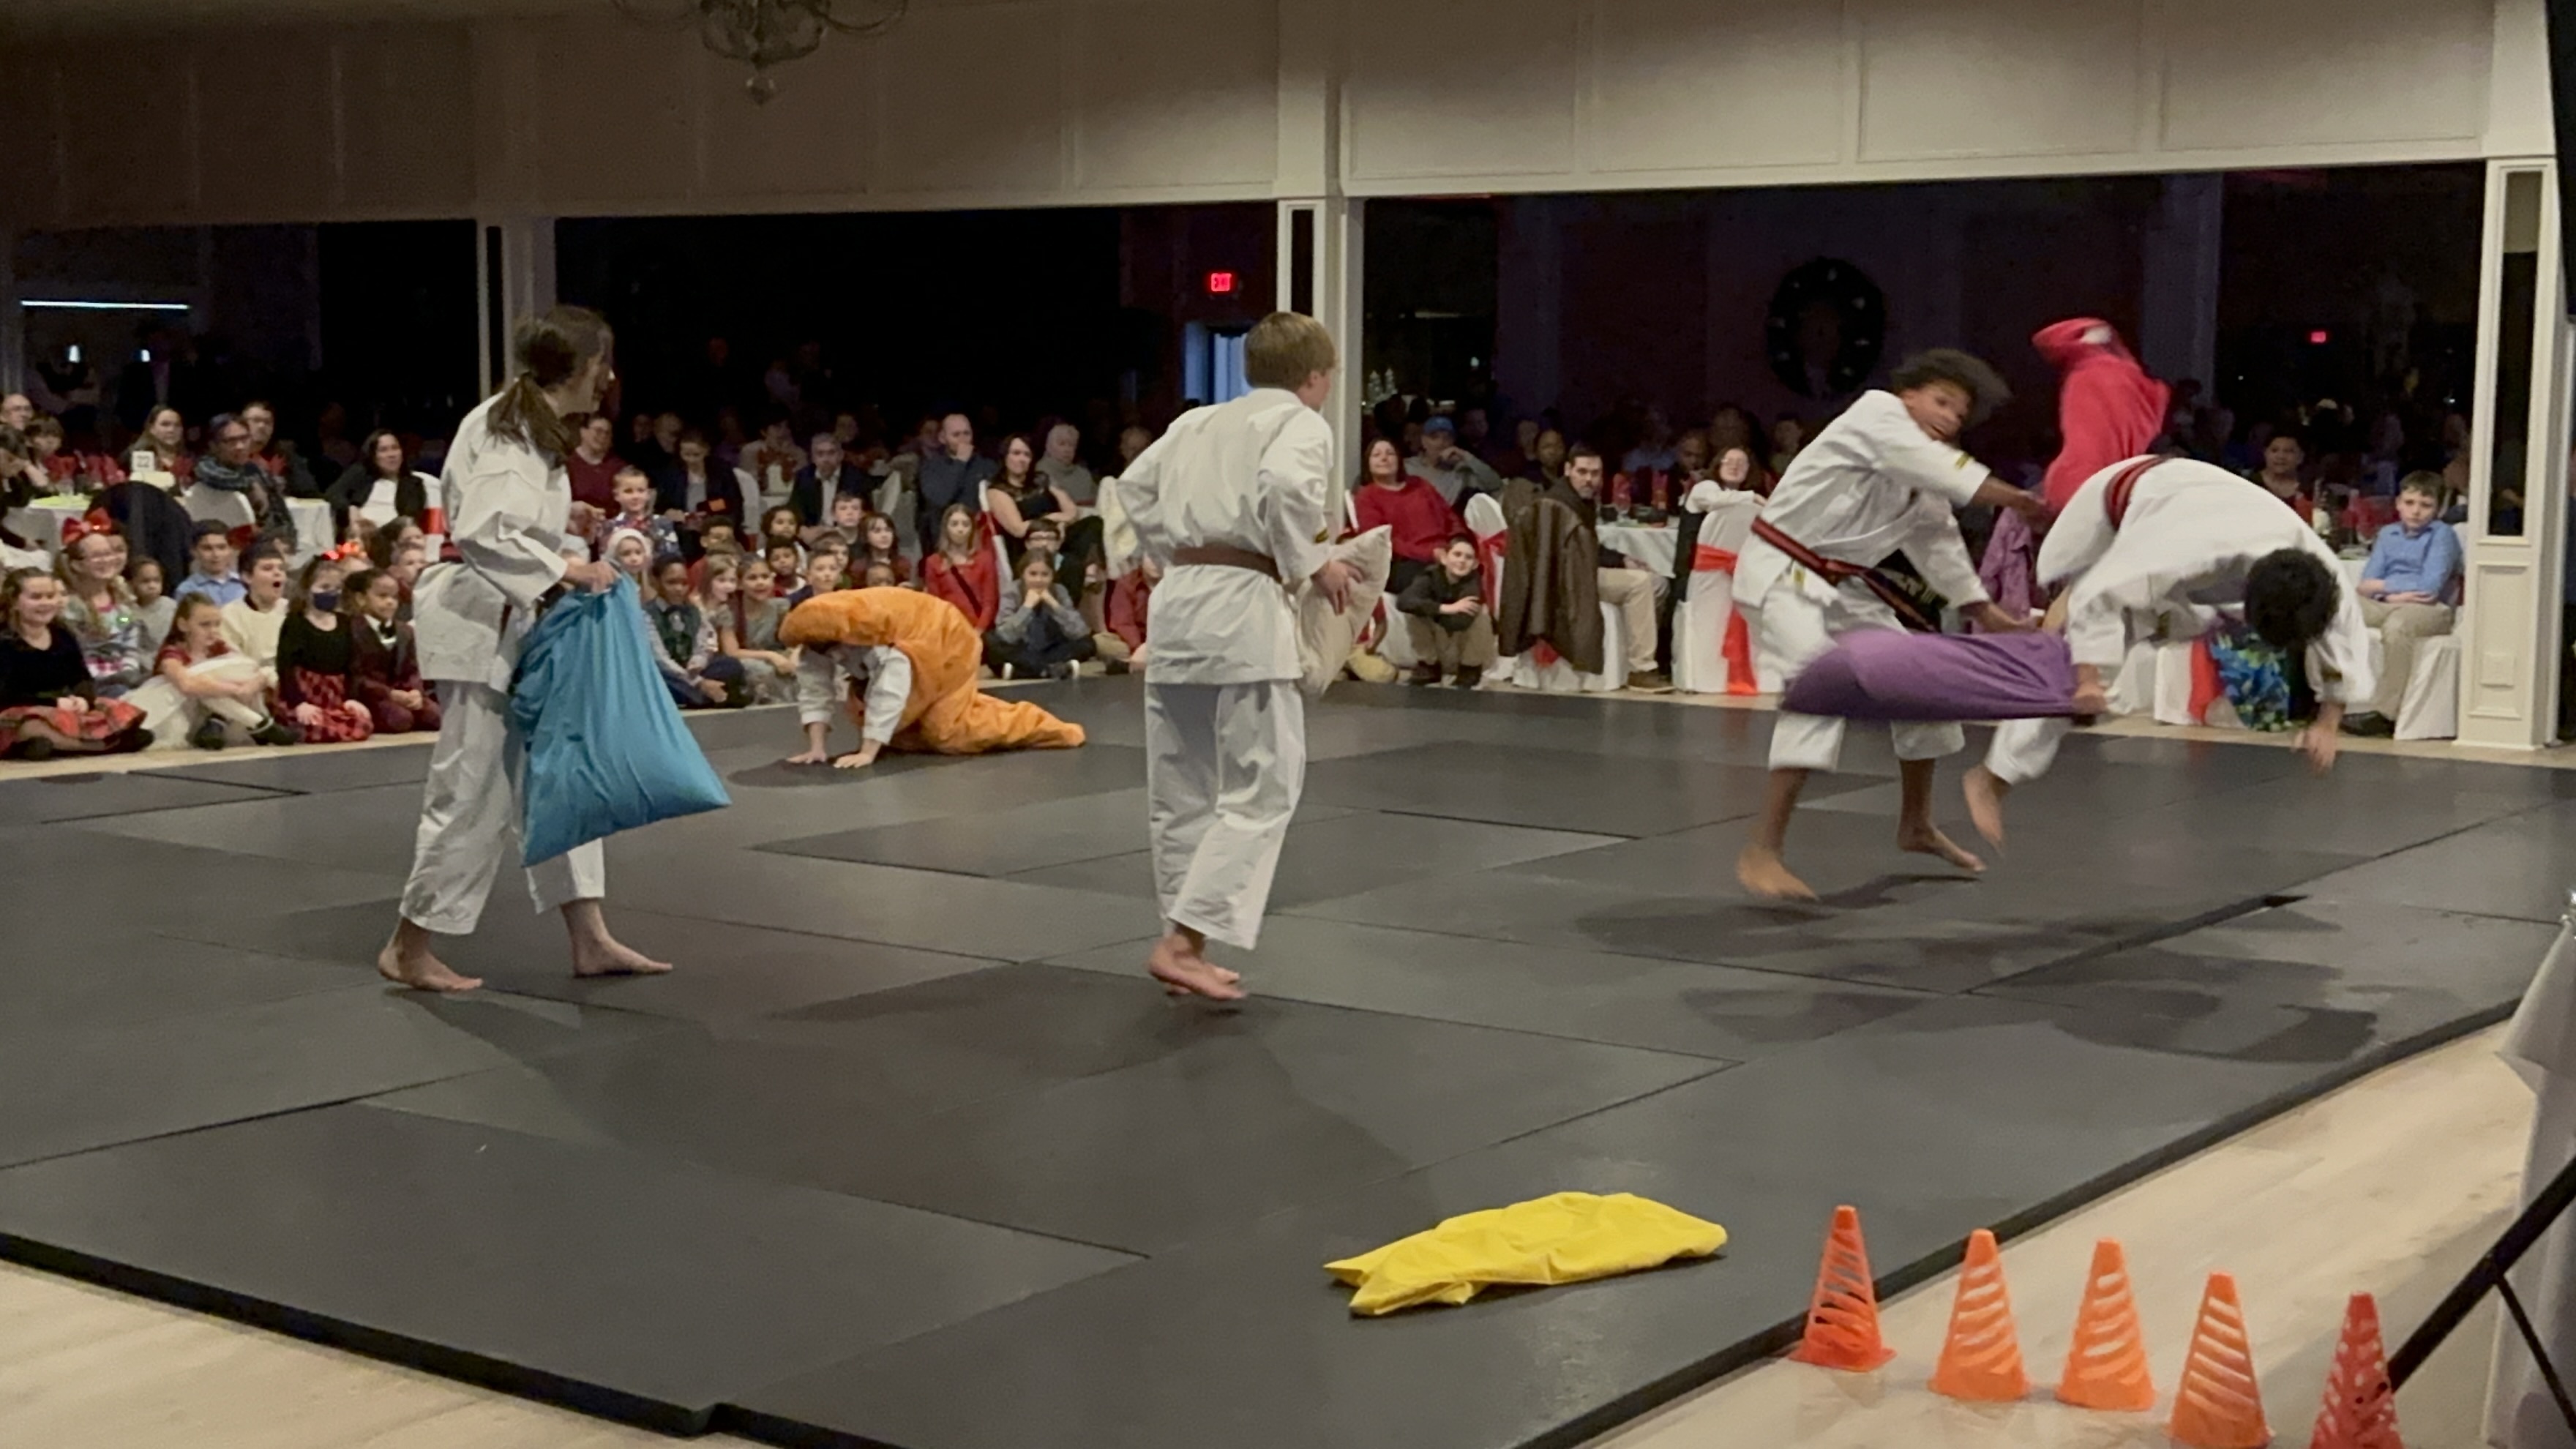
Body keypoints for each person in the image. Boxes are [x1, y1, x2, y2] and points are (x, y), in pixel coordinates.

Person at [380, 304, 670, 995]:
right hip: (480, 622)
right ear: (584, 366)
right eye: (603, 363)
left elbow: (505, 517)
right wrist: (569, 568)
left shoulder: (530, 424)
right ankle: (408, 945)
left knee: (562, 774)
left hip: (514, 619)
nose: (609, 378)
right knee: (472, 786)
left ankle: (588, 935)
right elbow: (483, 529)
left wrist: (560, 519)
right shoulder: (510, 427)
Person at [1734, 349, 2046, 902]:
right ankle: (1762, 851)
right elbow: (1936, 467)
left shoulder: (1923, 476)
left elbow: (1939, 544)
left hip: (1841, 588)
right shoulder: (1875, 414)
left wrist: (1985, 612)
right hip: (1781, 574)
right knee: (1822, 687)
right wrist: (2017, 498)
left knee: (1917, 681)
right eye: (1941, 401)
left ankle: (1916, 823)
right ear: (1908, 395)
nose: (1949, 418)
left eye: (1959, 413)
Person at [1115, 310, 1352, 1002]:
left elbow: (1135, 488)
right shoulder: (1299, 423)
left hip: (1179, 603)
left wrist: (1175, 551)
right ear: (1316, 378)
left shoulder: (1195, 422)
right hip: (1243, 607)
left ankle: (1184, 944)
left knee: (1182, 788)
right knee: (1264, 784)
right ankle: (1182, 943)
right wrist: (1314, 563)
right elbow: (1286, 489)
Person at [1964, 454, 2373, 846]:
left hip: (2202, 529)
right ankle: (1993, 777)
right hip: (2117, 506)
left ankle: (2073, 654)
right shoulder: (2188, 548)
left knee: (2188, 619)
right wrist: (2088, 678)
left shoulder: (2322, 580)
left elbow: (2343, 643)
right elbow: (2101, 594)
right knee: (2075, 659)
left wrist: (2327, 723)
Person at [782, 577, 1085, 769]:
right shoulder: (816, 636)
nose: (831, 657)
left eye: (832, 649)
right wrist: (817, 748)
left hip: (948, 638)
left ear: (842, 637)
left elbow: (890, 688)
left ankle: (1038, 724)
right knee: (891, 725)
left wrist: (868, 752)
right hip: (914, 636)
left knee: (947, 732)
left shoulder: (875, 638)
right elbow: (814, 687)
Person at [2342, 471, 2463, 738]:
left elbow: (2428, 588)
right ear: (2398, 503)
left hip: (2430, 610)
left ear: (2438, 509)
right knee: (2340, 609)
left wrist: (2383, 588)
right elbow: (2366, 583)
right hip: (2389, 603)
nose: (2416, 511)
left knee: (2397, 627)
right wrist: (2392, 596)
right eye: (2410, 503)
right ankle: (2326, 699)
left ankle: (2386, 713)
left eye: (2426, 505)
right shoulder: (2388, 534)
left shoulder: (2443, 535)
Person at [1548, 446, 1669, 692]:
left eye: (1595, 473)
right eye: (1582, 472)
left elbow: (1589, 546)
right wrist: (1618, 562)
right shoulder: (1559, 503)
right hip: (1568, 579)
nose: (1589, 479)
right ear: (1568, 470)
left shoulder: (1580, 499)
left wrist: (1622, 559)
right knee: (1640, 584)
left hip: (1583, 570)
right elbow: (1572, 553)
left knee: (1658, 582)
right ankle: (1641, 669)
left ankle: (1632, 653)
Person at [0, 569, 149, 758]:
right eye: (36, 597)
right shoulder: (4, 640)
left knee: (117, 709)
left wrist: (82, 699)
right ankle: (99, 746)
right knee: (33, 724)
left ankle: (52, 745)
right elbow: (5, 694)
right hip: (21, 708)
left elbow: (82, 676)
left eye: (50, 596)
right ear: (14, 602)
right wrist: (53, 703)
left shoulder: (63, 634)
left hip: (64, 706)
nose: (46, 603)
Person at [131, 594, 296, 749]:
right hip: (180, 715)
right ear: (183, 625)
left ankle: (225, 723)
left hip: (216, 712)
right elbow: (186, 685)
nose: (213, 631)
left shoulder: (218, 648)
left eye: (217, 624)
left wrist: (250, 685)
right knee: (203, 681)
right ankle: (260, 724)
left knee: (257, 671)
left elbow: (249, 669)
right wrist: (236, 689)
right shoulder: (172, 653)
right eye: (205, 625)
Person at [274, 553, 375, 744]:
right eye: (324, 587)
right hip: (305, 693)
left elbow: (352, 666)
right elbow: (286, 666)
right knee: (313, 726)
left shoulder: (344, 622)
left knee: (362, 724)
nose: (331, 593)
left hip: (335, 695)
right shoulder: (296, 622)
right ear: (308, 589)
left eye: (336, 588)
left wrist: (351, 698)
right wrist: (299, 703)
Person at [1353, 435, 1462, 596]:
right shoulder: (1367, 496)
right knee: (1437, 580)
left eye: (1390, 453)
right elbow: (1381, 540)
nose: (1384, 458)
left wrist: (1459, 541)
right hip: (1406, 562)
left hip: (1445, 554)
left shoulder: (1420, 484)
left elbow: (1450, 517)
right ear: (1367, 464)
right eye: (1376, 455)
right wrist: (1430, 554)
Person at [56, 520, 151, 697]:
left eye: (109, 553)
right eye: (97, 556)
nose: (107, 560)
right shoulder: (70, 607)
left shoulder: (122, 601)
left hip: (125, 678)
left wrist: (128, 671)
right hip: (91, 683)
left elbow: (126, 629)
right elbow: (80, 652)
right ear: (77, 565)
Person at [347, 566, 440, 734]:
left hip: (403, 692)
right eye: (382, 596)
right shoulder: (351, 631)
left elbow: (413, 669)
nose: (390, 602)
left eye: (394, 597)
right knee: (400, 719)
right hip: (373, 696)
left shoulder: (405, 632)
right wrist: (390, 694)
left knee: (435, 717)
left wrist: (415, 692)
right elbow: (356, 676)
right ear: (361, 599)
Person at [1396, 535, 1494, 688]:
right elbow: (1404, 601)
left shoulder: (1474, 583)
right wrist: (1444, 608)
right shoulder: (1429, 576)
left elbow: (1460, 622)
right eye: (1457, 554)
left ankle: (1470, 669)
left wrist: (1432, 611)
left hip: (1460, 648)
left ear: (1475, 564)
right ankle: (1429, 667)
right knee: (1413, 612)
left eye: (1468, 557)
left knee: (1482, 614)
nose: (1462, 561)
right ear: (1444, 558)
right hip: (1436, 648)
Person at [986, 550, 1098, 680]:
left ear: (1052, 576)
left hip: (1052, 649)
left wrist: (1054, 605)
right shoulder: (1012, 591)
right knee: (990, 643)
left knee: (1088, 643)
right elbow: (1006, 635)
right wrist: (1026, 608)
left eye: (1045, 575)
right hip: (1021, 649)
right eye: (1033, 574)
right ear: (1023, 574)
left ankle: (1024, 672)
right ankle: (1051, 670)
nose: (1038, 580)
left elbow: (1079, 631)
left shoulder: (1060, 591)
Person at [917, 413, 997, 557]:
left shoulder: (987, 466)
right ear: (943, 438)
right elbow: (940, 498)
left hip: (980, 542)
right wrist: (960, 462)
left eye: (967, 434)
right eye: (956, 435)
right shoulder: (931, 467)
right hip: (945, 545)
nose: (963, 440)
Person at [719, 553, 796, 703]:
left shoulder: (779, 607)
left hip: (777, 656)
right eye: (752, 578)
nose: (760, 583)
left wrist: (794, 656)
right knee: (761, 670)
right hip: (747, 661)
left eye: (765, 577)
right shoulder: (729, 612)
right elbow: (732, 652)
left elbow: (796, 640)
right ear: (740, 584)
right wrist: (771, 656)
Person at [327, 430, 433, 533]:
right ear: (373, 456)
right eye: (383, 450)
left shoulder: (413, 484)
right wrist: (350, 509)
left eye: (395, 448)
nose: (391, 455)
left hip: (393, 537)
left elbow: (409, 518)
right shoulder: (360, 474)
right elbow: (332, 493)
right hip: (359, 535)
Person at [218, 544, 293, 689]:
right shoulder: (229, 616)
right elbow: (234, 666)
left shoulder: (293, 611)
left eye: (281, 568)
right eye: (267, 568)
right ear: (247, 577)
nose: (277, 573)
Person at [921, 502, 1000, 630]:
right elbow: (935, 603)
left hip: (979, 629)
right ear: (946, 528)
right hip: (950, 630)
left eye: (965, 524)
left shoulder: (985, 559)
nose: (960, 529)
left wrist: (979, 630)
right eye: (954, 524)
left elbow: (990, 602)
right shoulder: (934, 562)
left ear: (972, 528)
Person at [1408, 415, 1503, 508]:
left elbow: (1495, 484)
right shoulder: (1409, 466)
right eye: (1434, 437)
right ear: (1424, 441)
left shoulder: (1460, 471)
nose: (1441, 443)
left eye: (1447, 438)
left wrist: (1466, 456)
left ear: (1452, 442)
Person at [564, 413, 622, 512]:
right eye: (598, 431)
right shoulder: (567, 463)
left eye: (607, 433)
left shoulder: (619, 467)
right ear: (583, 432)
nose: (603, 436)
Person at [2250, 430, 2312, 514]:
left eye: (2288, 451)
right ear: (2265, 453)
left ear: (2300, 457)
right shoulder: (2249, 483)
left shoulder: (2309, 491)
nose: (2281, 456)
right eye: (2274, 450)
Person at [1038, 422, 1097, 505]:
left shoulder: (1084, 474)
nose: (1067, 450)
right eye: (1062, 444)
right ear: (1049, 447)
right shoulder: (1041, 472)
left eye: (1071, 445)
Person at [130, 556, 175, 649]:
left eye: (157, 581)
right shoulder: (128, 609)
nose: (152, 586)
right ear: (132, 583)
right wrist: (130, 617)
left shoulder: (170, 606)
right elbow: (119, 621)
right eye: (145, 581)